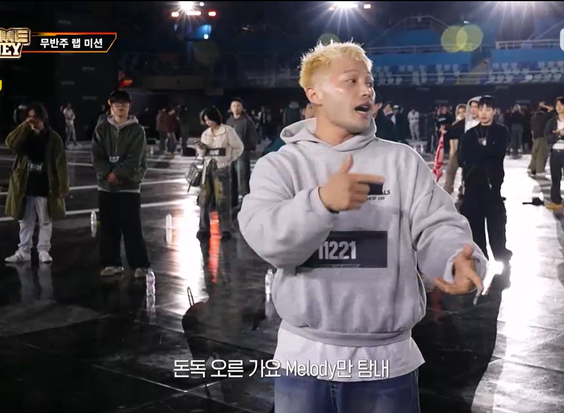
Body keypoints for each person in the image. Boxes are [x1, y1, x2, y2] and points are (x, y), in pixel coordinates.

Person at [237, 41, 487, 413]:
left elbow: (436, 225)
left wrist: (455, 258)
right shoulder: (282, 164)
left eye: (369, 82)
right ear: (314, 94)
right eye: (351, 81)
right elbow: (267, 239)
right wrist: (321, 202)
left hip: (386, 362)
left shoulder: (401, 161)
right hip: (305, 359)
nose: (366, 90)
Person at [91, 90, 154, 279]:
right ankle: (111, 263)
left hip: (129, 186)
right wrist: (107, 174)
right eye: (116, 103)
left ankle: (140, 265)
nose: (120, 106)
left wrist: (118, 174)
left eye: (124, 103)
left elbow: (135, 159)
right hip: (106, 186)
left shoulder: (137, 130)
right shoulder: (102, 129)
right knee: (108, 227)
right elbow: (97, 156)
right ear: (110, 105)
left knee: (132, 226)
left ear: (129, 106)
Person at [4, 103, 69, 264]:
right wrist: (24, 126)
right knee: (25, 221)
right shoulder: (24, 134)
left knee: (45, 219)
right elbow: (9, 142)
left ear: (43, 118)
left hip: (45, 184)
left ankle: (43, 250)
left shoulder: (53, 138)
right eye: (30, 116)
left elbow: (61, 162)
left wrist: (63, 184)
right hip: (25, 183)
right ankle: (23, 251)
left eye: (36, 117)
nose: (33, 120)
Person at [457, 96, 512, 266]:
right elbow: (461, 158)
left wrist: (479, 153)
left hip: (491, 186)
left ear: (494, 111)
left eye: (488, 109)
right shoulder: (470, 134)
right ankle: (481, 259)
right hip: (472, 185)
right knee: (474, 225)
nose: (483, 113)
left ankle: (501, 256)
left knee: (497, 225)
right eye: (481, 109)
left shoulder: (501, 131)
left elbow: (498, 152)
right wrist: (484, 151)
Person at [196, 106, 244, 240]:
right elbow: (202, 153)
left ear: (215, 118)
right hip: (207, 167)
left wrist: (228, 158)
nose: (208, 122)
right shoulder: (206, 133)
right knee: (204, 200)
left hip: (221, 167)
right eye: (205, 120)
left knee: (222, 200)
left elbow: (239, 147)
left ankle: (226, 229)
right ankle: (203, 229)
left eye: (209, 119)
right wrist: (201, 148)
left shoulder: (227, 131)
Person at [226, 98, 259, 207]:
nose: (236, 108)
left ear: (242, 108)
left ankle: (244, 202)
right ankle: (232, 201)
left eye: (238, 106)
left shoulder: (247, 122)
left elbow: (253, 138)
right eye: (234, 106)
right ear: (231, 108)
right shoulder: (229, 122)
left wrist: (246, 147)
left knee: (243, 177)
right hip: (230, 154)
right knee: (231, 177)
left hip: (242, 153)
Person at [528, 101, 553, 177]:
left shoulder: (534, 116)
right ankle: (540, 170)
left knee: (535, 154)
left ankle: (532, 168)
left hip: (535, 136)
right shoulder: (545, 116)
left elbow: (531, 127)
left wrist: (533, 136)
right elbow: (553, 110)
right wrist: (544, 105)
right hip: (542, 136)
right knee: (542, 154)